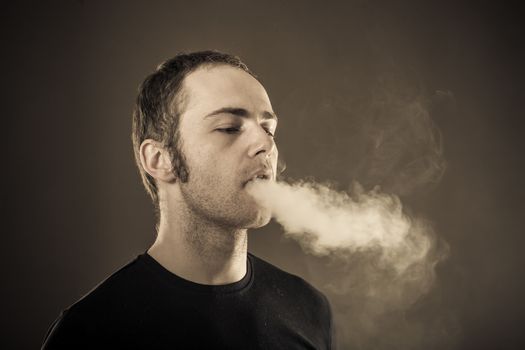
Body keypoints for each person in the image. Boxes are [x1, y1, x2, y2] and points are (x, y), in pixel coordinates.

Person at [42, 50, 333, 349]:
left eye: (268, 128)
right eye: (229, 128)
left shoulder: (309, 309)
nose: (266, 145)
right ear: (160, 159)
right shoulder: (89, 332)